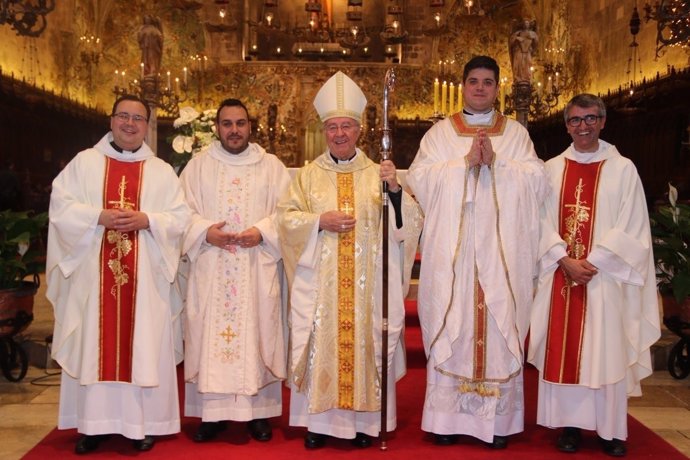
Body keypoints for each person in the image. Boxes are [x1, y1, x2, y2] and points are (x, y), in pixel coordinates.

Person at [406, 55, 549, 449]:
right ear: (464, 85)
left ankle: (496, 426)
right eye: (474, 81)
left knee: (498, 324)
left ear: (498, 87)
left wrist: (498, 164)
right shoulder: (440, 134)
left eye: (488, 82)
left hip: (502, 251)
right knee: (457, 322)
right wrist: (464, 164)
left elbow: (537, 180)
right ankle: (446, 420)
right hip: (458, 251)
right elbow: (419, 178)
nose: (481, 88)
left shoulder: (516, 134)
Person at [276, 71, 423, 450]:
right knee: (320, 345)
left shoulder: (379, 174)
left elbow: (409, 223)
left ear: (359, 130)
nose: (339, 134)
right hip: (322, 289)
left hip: (367, 290)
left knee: (365, 348)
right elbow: (286, 220)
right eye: (332, 127)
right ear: (324, 131)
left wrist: (393, 192)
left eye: (346, 126)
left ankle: (364, 423)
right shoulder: (307, 177)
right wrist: (317, 222)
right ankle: (318, 424)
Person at [47, 94, 191, 454]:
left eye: (138, 118)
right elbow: (60, 205)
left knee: (141, 345)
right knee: (95, 344)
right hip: (93, 279)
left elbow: (181, 218)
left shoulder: (160, 171)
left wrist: (148, 220)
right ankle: (93, 425)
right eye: (123, 116)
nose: (130, 124)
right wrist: (97, 216)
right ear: (111, 120)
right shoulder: (85, 163)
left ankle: (141, 425)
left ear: (147, 125)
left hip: (145, 282)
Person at [527, 93, 661, 457]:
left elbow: (633, 224)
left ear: (603, 121)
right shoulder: (552, 169)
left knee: (605, 352)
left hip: (604, 280)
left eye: (590, 119)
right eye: (575, 120)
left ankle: (609, 430)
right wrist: (562, 258)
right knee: (566, 351)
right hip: (562, 276)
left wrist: (595, 261)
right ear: (566, 125)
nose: (582, 126)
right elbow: (537, 220)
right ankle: (569, 427)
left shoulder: (623, 169)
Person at [180, 98, 291, 443]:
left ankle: (257, 415)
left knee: (257, 334)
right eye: (227, 124)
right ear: (217, 127)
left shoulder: (272, 167)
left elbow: (288, 213)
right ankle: (211, 416)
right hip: (212, 268)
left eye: (240, 123)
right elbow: (180, 212)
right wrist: (204, 232)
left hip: (256, 265)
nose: (234, 130)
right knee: (210, 337)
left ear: (250, 126)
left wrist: (262, 231)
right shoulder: (197, 167)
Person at [509, 19, 538, 83]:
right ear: (522, 25)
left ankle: (527, 79)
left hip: (527, 52)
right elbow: (511, 42)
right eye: (524, 23)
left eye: (527, 23)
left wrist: (531, 40)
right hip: (519, 51)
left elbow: (536, 42)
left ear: (529, 25)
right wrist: (516, 38)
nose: (526, 25)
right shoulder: (518, 33)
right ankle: (518, 79)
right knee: (518, 65)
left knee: (527, 64)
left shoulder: (532, 33)